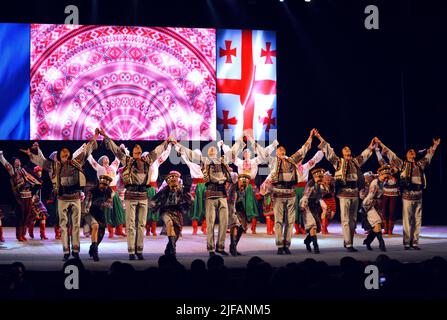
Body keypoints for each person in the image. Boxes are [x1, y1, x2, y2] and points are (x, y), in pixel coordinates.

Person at [99, 128, 173, 260]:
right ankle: (131, 251)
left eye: (139, 152)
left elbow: (158, 150)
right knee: (131, 224)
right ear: (132, 153)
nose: (138, 154)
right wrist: (105, 136)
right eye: (136, 153)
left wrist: (167, 142)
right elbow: (115, 149)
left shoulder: (147, 160)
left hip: (143, 196)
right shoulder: (128, 161)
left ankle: (139, 250)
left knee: (141, 224)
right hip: (131, 196)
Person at [22, 133, 98, 260]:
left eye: (67, 151)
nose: (65, 153)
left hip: (75, 197)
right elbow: (41, 161)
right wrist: (32, 153)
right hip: (62, 198)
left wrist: (94, 137)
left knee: (75, 225)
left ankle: (75, 251)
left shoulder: (76, 163)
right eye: (63, 152)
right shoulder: (53, 166)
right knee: (63, 225)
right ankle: (66, 252)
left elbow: (86, 151)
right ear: (58, 155)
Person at [175, 136, 245, 256]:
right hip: (210, 195)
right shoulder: (205, 161)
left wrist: (242, 139)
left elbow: (233, 151)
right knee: (211, 222)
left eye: (214, 151)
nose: (213, 152)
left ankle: (220, 247)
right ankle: (211, 248)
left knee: (223, 222)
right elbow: (191, 154)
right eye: (210, 151)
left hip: (222, 194)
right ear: (208, 153)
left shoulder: (222, 160)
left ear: (217, 153)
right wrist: (177, 145)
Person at [315, 130, 376, 252]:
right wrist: (318, 136)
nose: (347, 150)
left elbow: (364, 154)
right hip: (343, 194)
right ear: (342, 153)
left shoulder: (355, 162)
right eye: (345, 149)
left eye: (348, 149)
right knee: (345, 219)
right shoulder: (338, 162)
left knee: (353, 220)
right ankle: (349, 244)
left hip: (354, 194)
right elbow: (328, 150)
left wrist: (371, 146)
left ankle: (348, 240)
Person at [377, 137, 441, 249]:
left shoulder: (420, 165)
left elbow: (429, 155)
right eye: (409, 151)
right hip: (407, 196)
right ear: (406, 155)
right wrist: (380, 143)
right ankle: (406, 243)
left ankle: (415, 242)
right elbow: (391, 154)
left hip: (418, 196)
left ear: (415, 155)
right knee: (407, 220)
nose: (411, 152)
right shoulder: (402, 165)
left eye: (413, 151)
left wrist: (435, 145)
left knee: (417, 220)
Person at [259, 129, 314, 254]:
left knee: (290, 221)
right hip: (278, 194)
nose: (281, 151)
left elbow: (303, 149)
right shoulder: (273, 162)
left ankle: (287, 245)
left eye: (283, 150)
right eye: (279, 150)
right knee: (278, 220)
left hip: (291, 193)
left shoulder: (292, 160)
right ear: (276, 153)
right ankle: (279, 245)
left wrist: (310, 137)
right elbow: (263, 155)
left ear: (285, 152)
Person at [222, 137, 278, 234]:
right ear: (243, 155)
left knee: (251, 207)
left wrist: (273, 145)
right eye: (245, 153)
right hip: (240, 187)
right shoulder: (240, 162)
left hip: (250, 187)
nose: (246, 154)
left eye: (248, 153)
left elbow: (264, 153)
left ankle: (253, 227)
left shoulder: (255, 161)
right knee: (240, 207)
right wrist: (223, 146)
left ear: (251, 154)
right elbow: (230, 155)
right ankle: (242, 226)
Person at [0, 151, 41, 242]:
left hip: (28, 196)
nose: (18, 162)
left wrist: (35, 181)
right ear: (14, 163)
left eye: (19, 161)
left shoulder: (23, 170)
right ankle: (19, 235)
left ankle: (23, 234)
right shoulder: (13, 171)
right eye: (16, 161)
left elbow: (32, 179)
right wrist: (1, 156)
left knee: (27, 216)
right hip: (20, 197)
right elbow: (7, 165)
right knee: (20, 216)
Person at [149, 171, 192, 256]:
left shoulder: (181, 191)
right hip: (166, 211)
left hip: (177, 212)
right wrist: (155, 205)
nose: (174, 187)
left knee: (177, 232)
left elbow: (189, 201)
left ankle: (169, 248)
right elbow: (154, 200)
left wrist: (189, 201)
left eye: (175, 183)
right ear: (168, 183)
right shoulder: (164, 190)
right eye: (172, 183)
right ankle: (173, 251)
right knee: (170, 224)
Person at [87, 153, 126, 238]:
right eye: (104, 158)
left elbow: (117, 159)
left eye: (107, 158)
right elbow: (92, 161)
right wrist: (88, 154)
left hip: (114, 192)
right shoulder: (99, 168)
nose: (107, 159)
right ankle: (111, 232)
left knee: (118, 211)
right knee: (108, 212)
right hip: (106, 192)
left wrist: (121, 150)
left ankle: (119, 231)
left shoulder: (113, 167)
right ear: (101, 161)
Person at [361, 165, 391, 252]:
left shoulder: (381, 182)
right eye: (385, 177)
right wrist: (365, 208)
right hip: (369, 205)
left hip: (376, 206)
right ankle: (382, 243)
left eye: (387, 178)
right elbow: (370, 197)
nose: (386, 179)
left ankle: (367, 241)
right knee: (377, 222)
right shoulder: (375, 183)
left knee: (376, 226)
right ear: (381, 175)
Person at [83, 175, 114, 261]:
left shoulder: (109, 191)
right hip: (89, 212)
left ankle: (93, 247)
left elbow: (110, 205)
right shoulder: (92, 190)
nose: (103, 187)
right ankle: (95, 252)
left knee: (101, 233)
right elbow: (86, 204)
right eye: (102, 185)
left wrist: (104, 204)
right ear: (99, 183)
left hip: (100, 212)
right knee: (95, 226)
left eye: (105, 186)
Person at [293, 150, 324, 235]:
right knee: (296, 209)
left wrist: (321, 152)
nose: (299, 161)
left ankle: (303, 227)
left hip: (304, 189)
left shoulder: (305, 166)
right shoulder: (291, 169)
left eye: (300, 159)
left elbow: (314, 160)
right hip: (295, 190)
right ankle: (297, 228)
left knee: (305, 208)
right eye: (297, 160)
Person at [144, 144, 171, 237]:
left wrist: (169, 146)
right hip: (146, 189)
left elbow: (163, 156)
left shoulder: (155, 163)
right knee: (147, 210)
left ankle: (153, 230)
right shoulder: (142, 166)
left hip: (154, 188)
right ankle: (147, 230)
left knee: (155, 209)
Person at [300, 168, 327, 254]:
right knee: (312, 226)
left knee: (317, 228)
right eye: (318, 177)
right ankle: (316, 246)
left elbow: (321, 197)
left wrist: (324, 208)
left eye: (321, 177)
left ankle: (307, 241)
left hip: (315, 207)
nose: (320, 178)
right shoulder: (310, 185)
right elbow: (305, 197)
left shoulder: (321, 185)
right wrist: (303, 206)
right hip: (307, 206)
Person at [374, 146, 400, 235]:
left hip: (394, 193)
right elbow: (380, 160)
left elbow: (397, 177)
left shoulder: (398, 168)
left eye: (393, 160)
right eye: (390, 159)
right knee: (384, 210)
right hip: (385, 192)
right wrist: (377, 150)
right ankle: (385, 228)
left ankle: (390, 229)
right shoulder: (386, 167)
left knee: (392, 211)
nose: (391, 161)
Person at [180, 150, 206, 235]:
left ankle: (204, 227)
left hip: (203, 186)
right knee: (195, 206)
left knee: (205, 205)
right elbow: (185, 159)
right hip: (195, 186)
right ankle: (195, 228)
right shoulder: (192, 164)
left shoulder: (205, 165)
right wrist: (182, 152)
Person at [227, 174, 252, 256]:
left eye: (245, 185)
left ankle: (233, 246)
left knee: (242, 228)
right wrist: (233, 213)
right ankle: (233, 247)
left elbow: (244, 200)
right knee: (234, 226)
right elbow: (231, 202)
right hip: (232, 207)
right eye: (242, 185)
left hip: (240, 208)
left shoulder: (245, 187)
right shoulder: (233, 189)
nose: (243, 187)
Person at [29, 166, 49, 240]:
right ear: (35, 173)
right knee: (34, 217)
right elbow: (32, 191)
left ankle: (42, 234)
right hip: (32, 200)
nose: (40, 173)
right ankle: (30, 231)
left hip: (38, 201)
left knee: (43, 216)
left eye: (40, 172)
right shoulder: (33, 180)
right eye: (38, 172)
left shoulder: (40, 180)